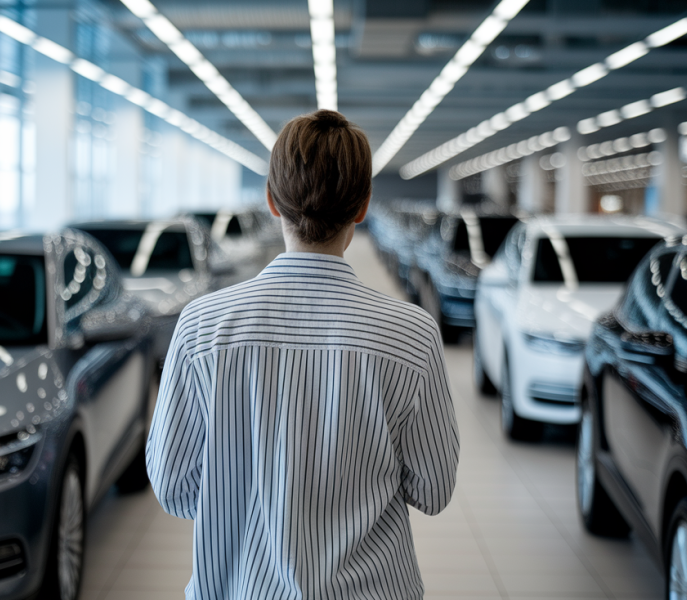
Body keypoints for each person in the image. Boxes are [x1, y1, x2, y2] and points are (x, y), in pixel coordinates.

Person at [146, 109, 459, 600]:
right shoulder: (412, 336)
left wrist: (249, 489)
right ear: (362, 207)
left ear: (272, 201)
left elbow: (176, 488)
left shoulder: (202, 329)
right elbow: (434, 490)